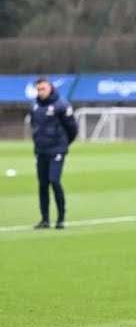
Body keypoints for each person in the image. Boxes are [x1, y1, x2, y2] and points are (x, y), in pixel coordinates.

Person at [29, 77, 78, 230]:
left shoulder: (61, 105)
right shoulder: (35, 106)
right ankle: (45, 219)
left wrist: (62, 145)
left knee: (54, 181)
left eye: (43, 89)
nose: (40, 92)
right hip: (41, 150)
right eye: (38, 89)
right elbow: (34, 126)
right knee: (42, 184)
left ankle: (61, 218)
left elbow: (72, 129)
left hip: (57, 150)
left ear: (50, 88)